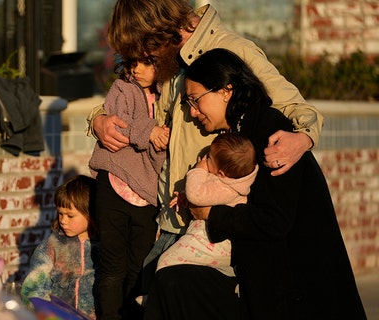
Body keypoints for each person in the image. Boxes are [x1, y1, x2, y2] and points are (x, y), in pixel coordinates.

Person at [86, 0, 324, 295]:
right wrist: (98, 119)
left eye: (145, 51)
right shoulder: (171, 62)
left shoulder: (234, 51)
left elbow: (294, 106)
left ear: (159, 31)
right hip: (170, 218)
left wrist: (304, 137)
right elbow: (137, 108)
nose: (144, 60)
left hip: (211, 225)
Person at [144, 48, 366, 320]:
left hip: (300, 293)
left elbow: (273, 218)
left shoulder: (269, 133)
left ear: (226, 91)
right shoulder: (243, 131)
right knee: (172, 283)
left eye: (195, 100)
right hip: (276, 287)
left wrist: (211, 214)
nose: (192, 113)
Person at [88, 57, 169, 319]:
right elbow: (118, 124)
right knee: (112, 267)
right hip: (114, 183)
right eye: (133, 62)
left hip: (148, 193)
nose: (136, 69)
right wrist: (150, 130)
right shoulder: (122, 87)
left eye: (146, 63)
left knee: (139, 267)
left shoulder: (170, 91)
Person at [157, 133, 258, 278]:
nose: (204, 158)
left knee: (167, 262)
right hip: (205, 238)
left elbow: (196, 194)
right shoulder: (227, 181)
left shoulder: (228, 188)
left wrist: (199, 170)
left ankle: (155, 298)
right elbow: (203, 196)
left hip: (211, 242)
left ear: (221, 173)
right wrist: (185, 198)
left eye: (209, 157)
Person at [20, 174, 99, 319]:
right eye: (60, 214)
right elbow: (33, 288)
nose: (63, 220)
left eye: (70, 215)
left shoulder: (105, 246)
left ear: (90, 213)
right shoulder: (52, 245)